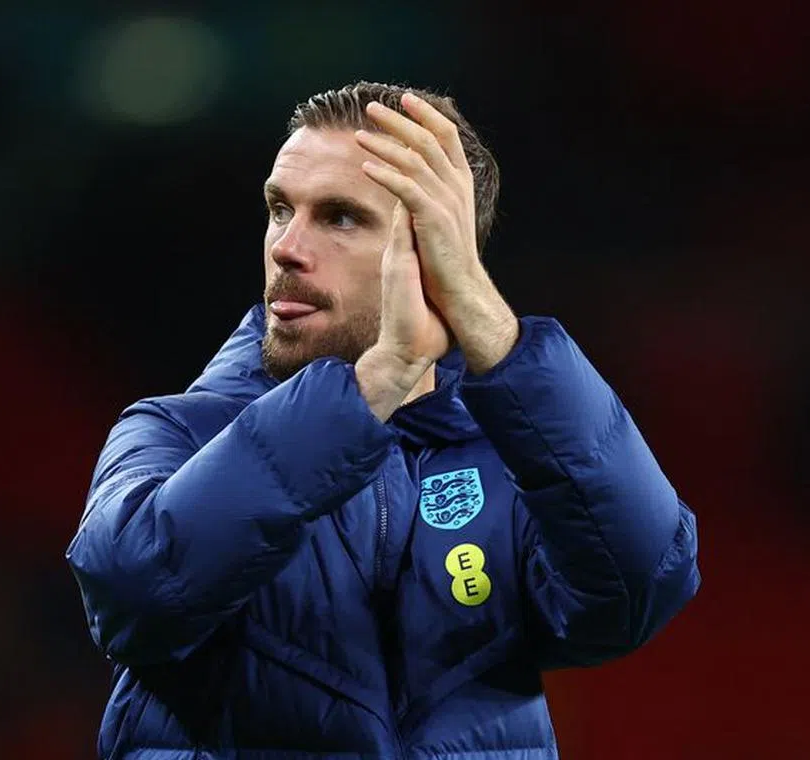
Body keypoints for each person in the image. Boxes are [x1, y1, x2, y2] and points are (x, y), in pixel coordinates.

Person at [66, 80, 700, 759]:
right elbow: (136, 598)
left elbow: (638, 594)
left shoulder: (515, 460)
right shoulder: (173, 435)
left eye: (340, 217)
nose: (287, 247)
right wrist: (383, 375)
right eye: (281, 210)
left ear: (435, 254)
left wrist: (486, 323)